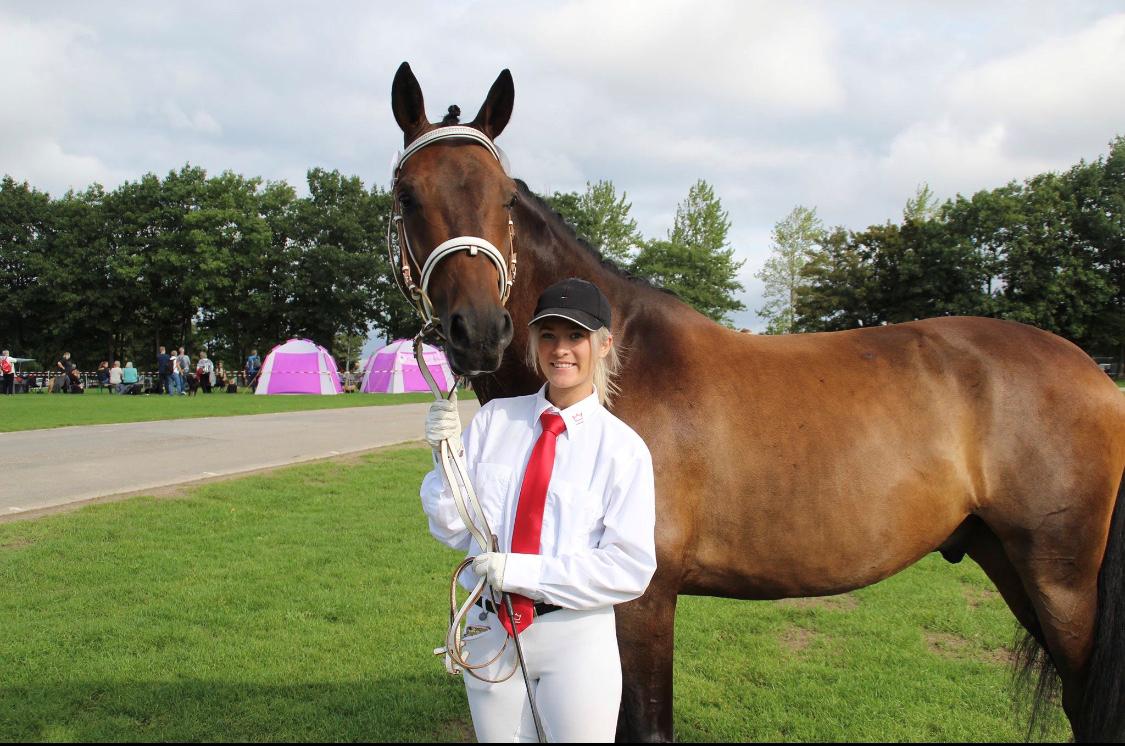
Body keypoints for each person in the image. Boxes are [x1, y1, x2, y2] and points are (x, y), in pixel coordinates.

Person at [419, 278, 656, 743]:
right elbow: (450, 526)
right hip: (491, 630)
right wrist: (443, 455)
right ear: (531, 343)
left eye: (575, 336)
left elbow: (630, 567)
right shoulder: (493, 421)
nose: (560, 349)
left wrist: (523, 571)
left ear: (604, 344)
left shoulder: (623, 449)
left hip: (575, 636)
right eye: (548, 335)